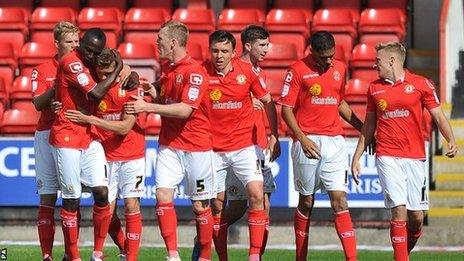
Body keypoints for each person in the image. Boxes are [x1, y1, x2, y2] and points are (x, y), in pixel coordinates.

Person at [351, 42, 458, 261]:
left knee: (416, 218)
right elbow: (369, 125)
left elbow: (438, 115)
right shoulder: (374, 88)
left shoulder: (422, 84)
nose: (374, 65)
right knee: (398, 211)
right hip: (387, 155)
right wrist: (357, 156)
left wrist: (451, 139)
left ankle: (402, 252)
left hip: (415, 157)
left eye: (377, 61)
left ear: (392, 61)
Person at [124, 20, 214, 261]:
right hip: (170, 146)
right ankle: (172, 255)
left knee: (199, 207)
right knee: (163, 196)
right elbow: (166, 95)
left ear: (174, 42)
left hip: (196, 148)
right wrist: (153, 90)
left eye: (160, 40)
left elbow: (185, 110)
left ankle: (204, 255)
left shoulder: (194, 72)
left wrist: (147, 106)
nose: (157, 43)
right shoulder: (169, 69)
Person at [278, 31, 362, 261]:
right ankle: (300, 257)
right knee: (306, 201)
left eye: (331, 56)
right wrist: (302, 138)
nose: (328, 61)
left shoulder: (340, 68)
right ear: (311, 51)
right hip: (308, 141)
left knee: (340, 199)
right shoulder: (297, 70)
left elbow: (339, 101)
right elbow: (285, 110)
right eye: (323, 57)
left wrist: (361, 126)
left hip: (335, 142)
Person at [203, 30, 280, 261]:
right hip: (214, 150)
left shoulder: (249, 72)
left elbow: (268, 101)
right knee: (218, 206)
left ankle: (255, 256)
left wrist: (273, 135)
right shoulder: (200, 73)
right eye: (215, 50)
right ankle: (218, 253)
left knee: (259, 196)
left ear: (233, 52)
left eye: (224, 51)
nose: (219, 55)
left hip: (246, 147)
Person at [49, 28, 123, 261]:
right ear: (81, 44)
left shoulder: (92, 62)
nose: (91, 56)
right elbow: (94, 93)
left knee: (102, 193)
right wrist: (119, 69)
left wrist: (124, 69)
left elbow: (115, 65)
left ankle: (98, 254)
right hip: (67, 135)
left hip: (89, 136)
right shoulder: (72, 62)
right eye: (88, 50)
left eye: (96, 52)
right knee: (72, 199)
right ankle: (73, 256)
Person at [64, 49, 145, 261]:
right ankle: (98, 253)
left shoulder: (129, 84)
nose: (103, 78)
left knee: (131, 204)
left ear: (116, 70)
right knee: (105, 208)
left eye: (108, 73)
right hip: (105, 154)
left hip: (131, 154)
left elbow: (125, 127)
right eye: (100, 73)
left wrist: (91, 120)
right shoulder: (91, 86)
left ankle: (131, 257)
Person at [32, 21, 79, 261]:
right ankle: (47, 255)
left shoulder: (84, 68)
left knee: (72, 196)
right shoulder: (42, 69)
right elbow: (38, 103)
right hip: (46, 135)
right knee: (47, 196)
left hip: (73, 136)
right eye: (70, 41)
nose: (75, 45)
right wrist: (56, 87)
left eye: (76, 41)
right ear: (57, 43)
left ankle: (71, 253)